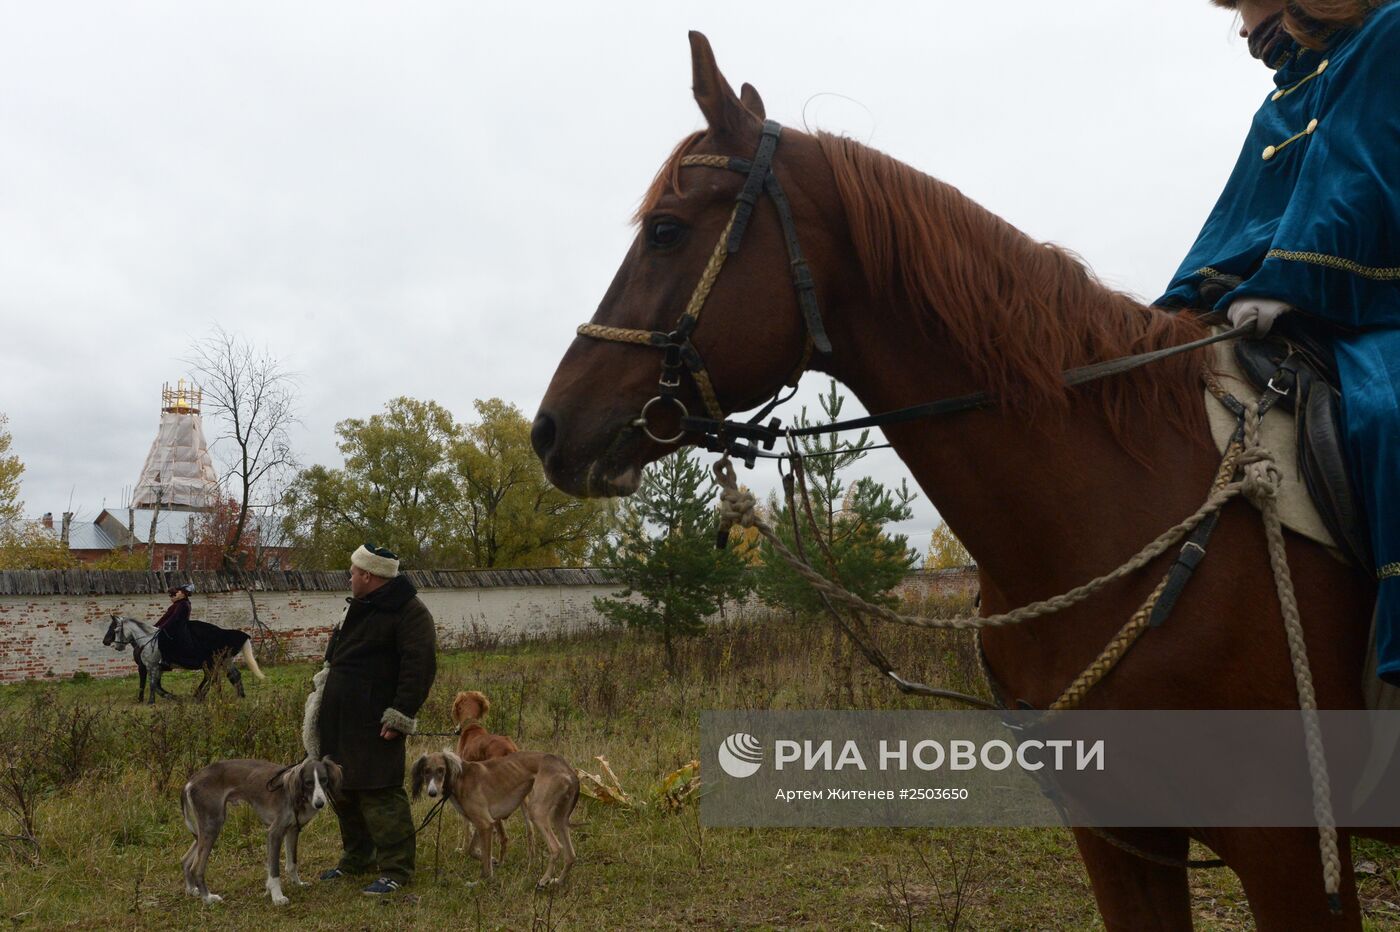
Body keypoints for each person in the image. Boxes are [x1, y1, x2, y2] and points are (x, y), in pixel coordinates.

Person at [1157, 0, 1400, 683]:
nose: (1242, 25)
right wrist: (1176, 311)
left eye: (1247, 1)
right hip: (1290, 307)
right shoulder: (1277, 106)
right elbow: (1234, 222)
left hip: (1379, 302)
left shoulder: (1388, 34)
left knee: (1387, 413)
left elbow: (1368, 169)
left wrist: (1293, 276)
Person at [310, 543, 436, 895]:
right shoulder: (361, 607)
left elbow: (420, 666)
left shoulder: (409, 612)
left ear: (368, 575)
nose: (349, 576)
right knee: (344, 790)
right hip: (340, 720)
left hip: (376, 722)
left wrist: (400, 715)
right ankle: (357, 857)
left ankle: (396, 869)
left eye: (353, 571)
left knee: (380, 792)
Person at [154, 583, 198, 661]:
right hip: (177, 626)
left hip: (180, 628)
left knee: (163, 638)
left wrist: (162, 627)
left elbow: (174, 618)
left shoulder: (184, 604)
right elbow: (166, 617)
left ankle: (166, 660)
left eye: (179, 592)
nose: (177, 593)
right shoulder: (179, 603)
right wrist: (156, 625)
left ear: (184, 594)